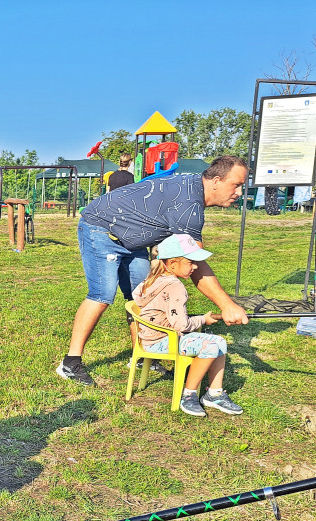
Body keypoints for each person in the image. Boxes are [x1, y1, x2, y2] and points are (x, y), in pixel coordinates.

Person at [56, 155, 250, 387]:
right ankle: (70, 362)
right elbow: (195, 264)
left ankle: (143, 355)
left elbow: (190, 260)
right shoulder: (188, 204)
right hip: (101, 227)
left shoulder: (193, 191)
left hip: (133, 239)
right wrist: (227, 306)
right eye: (236, 185)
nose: (239, 192)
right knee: (102, 294)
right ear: (216, 181)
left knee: (145, 295)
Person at [134, 234, 243, 417]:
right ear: (173, 264)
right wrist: (203, 319)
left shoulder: (153, 280)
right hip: (162, 341)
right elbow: (182, 325)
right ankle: (189, 394)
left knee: (220, 342)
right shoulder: (175, 287)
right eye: (191, 262)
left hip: (150, 338)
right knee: (210, 346)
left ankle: (214, 394)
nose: (196, 267)